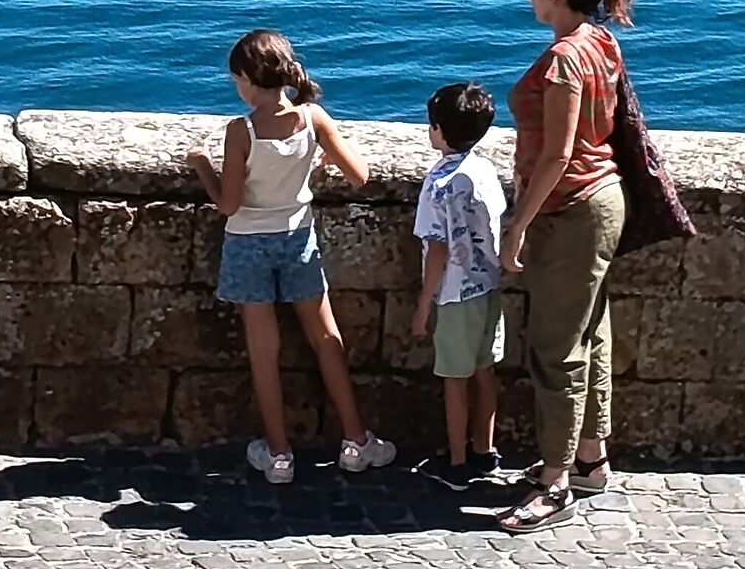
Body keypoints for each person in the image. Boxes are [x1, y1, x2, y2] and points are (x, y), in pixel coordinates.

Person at [187, 29, 398, 485]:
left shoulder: (240, 131)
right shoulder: (313, 118)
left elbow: (228, 204)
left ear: (246, 79)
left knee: (265, 352)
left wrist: (202, 165)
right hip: (297, 238)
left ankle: (279, 454)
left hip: (248, 244)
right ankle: (357, 440)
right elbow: (360, 175)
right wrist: (317, 162)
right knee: (327, 339)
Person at [495, 0, 633, 532]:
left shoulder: (562, 62)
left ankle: (554, 483)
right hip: (605, 200)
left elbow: (556, 155)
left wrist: (516, 224)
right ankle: (590, 458)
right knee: (591, 332)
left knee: (555, 349)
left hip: (570, 208)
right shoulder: (602, 42)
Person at [408, 80, 507, 488]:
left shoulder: (439, 186)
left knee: (454, 379)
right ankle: (485, 450)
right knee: (485, 370)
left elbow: (437, 251)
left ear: (441, 131)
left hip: (453, 294)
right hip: (488, 286)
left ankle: (457, 460)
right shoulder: (483, 170)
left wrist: (422, 306)